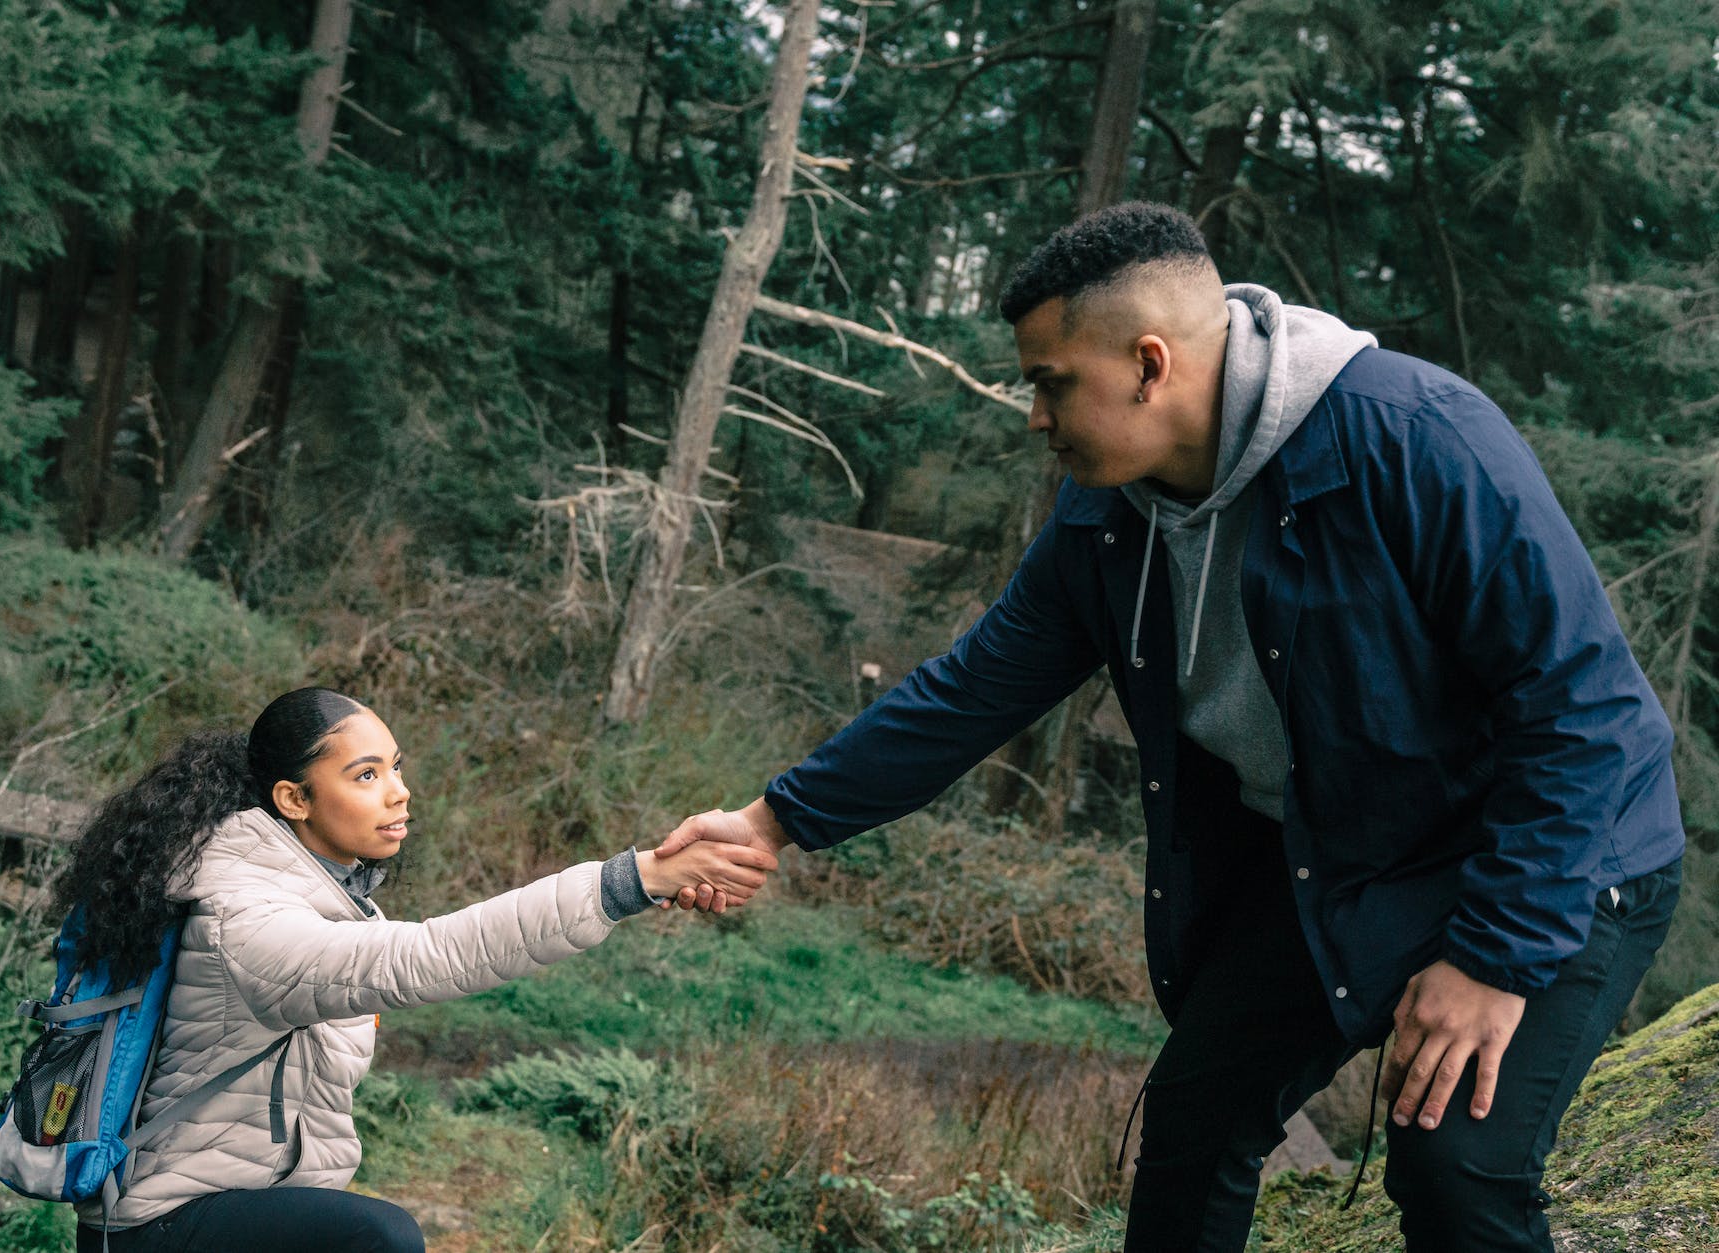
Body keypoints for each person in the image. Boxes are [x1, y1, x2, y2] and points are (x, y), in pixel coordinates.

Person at [653, 202, 1685, 1252]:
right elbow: (972, 688)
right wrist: (774, 821)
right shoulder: (1104, 517)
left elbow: (1582, 711)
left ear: (1149, 364)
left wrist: (1495, 957)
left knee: (1454, 1164)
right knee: (1191, 1124)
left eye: (1051, 382)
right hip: (1349, 852)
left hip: (1556, 847)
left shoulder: (1413, 437)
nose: (1033, 415)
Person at [54, 686, 776, 1252]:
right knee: (381, 1238)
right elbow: (431, 955)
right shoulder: (245, 919)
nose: (398, 790)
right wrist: (633, 877)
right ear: (293, 799)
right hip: (159, 1226)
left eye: (394, 766)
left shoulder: (324, 896)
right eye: (365, 774)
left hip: (245, 1209)